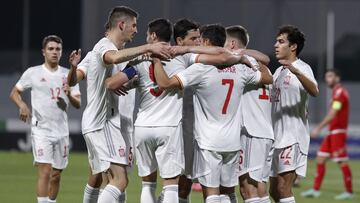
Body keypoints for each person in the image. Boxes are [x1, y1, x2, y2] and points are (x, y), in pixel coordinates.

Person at [152, 24, 273, 203]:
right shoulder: (240, 68)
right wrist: (243, 56)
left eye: (200, 39)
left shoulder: (200, 69)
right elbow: (267, 77)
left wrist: (155, 61)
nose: (198, 42)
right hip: (232, 141)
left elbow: (166, 83)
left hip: (209, 141)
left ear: (207, 41)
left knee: (212, 193)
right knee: (227, 192)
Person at [67, 6, 173, 203]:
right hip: (104, 122)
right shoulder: (103, 47)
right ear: (121, 25)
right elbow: (76, 79)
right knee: (118, 180)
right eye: (133, 25)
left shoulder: (127, 56)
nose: (136, 30)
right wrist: (148, 48)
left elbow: (123, 72)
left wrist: (130, 81)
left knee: (113, 182)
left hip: (121, 125)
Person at [9, 35, 81, 203]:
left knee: (56, 175)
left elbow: (78, 104)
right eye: (51, 49)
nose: (54, 52)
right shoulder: (33, 73)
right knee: (45, 170)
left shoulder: (69, 75)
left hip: (61, 131)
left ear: (62, 52)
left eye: (57, 49)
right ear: (43, 52)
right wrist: (22, 105)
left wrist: (69, 93)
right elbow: (14, 93)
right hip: (41, 130)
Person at [269, 25, 319, 203]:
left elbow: (314, 90)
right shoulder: (277, 72)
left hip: (293, 137)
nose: (275, 45)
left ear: (293, 46)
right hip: (276, 137)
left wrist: (296, 72)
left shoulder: (302, 67)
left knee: (284, 189)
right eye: (276, 41)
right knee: (274, 191)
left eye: (281, 41)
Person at [224, 25, 274, 203]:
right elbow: (265, 59)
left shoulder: (242, 64)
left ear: (231, 44)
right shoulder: (264, 68)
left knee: (247, 189)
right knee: (260, 189)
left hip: (251, 131)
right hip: (265, 132)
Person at [301, 69, 353, 200]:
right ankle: (315, 190)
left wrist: (318, 128)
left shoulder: (340, 92)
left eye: (330, 76)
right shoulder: (336, 92)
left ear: (337, 78)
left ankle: (349, 192)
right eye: (326, 77)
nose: (327, 79)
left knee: (341, 161)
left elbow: (333, 114)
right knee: (320, 158)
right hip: (332, 132)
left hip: (338, 132)